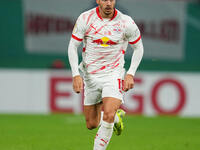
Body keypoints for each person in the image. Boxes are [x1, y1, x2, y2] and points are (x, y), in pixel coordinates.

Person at [68, 0, 144, 149]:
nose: (108, 3)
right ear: (98, 1)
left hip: (113, 74)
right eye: (104, 0)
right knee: (91, 124)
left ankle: (110, 119)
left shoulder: (126, 22)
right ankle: (116, 118)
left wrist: (130, 73)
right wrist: (75, 74)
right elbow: (72, 46)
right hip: (91, 76)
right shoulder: (85, 18)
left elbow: (139, 48)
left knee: (108, 113)